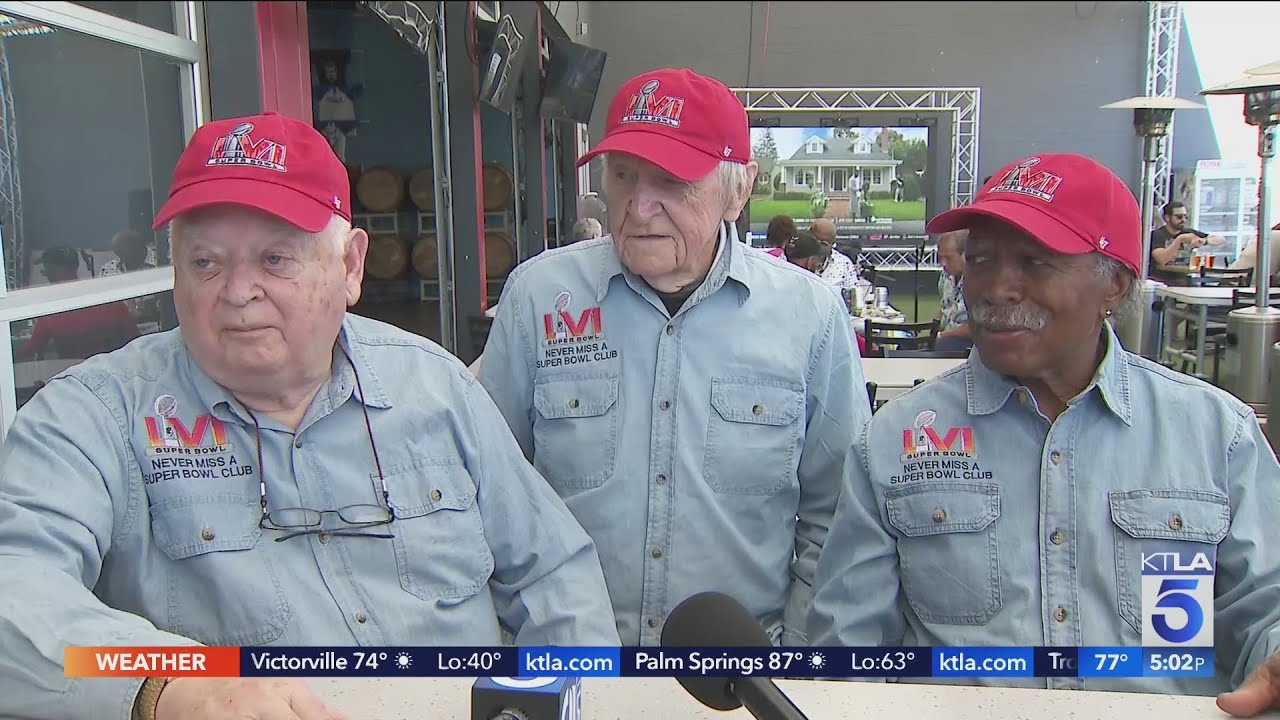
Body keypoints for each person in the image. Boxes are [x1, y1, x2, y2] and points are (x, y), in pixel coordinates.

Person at [0, 112, 620, 720]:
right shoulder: (93, 418)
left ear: (350, 266)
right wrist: (164, 687)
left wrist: (569, 699)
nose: (239, 291)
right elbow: (15, 596)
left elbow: (552, 574)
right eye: (206, 263)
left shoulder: (436, 388)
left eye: (275, 260)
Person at [809, 152, 1280, 712]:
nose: (995, 289)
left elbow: (1266, 607)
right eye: (980, 260)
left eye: (1035, 261)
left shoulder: (1217, 437)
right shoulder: (893, 442)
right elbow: (848, 650)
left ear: (1116, 286)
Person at [478, 68, 869, 646]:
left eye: (671, 181)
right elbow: (489, 493)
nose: (638, 207)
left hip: (737, 677)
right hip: (570, 667)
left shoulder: (807, 315)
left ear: (737, 191)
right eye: (623, 176)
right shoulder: (538, 299)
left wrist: (792, 652)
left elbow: (836, 514)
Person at [15, 247, 141, 362]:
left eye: (46, 271)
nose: (46, 274)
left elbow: (30, 351)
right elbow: (135, 340)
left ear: (55, 271)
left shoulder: (51, 311)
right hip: (115, 372)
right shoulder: (108, 298)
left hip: (75, 379)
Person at [1150, 200, 1226, 285]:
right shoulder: (1158, 234)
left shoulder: (1188, 232)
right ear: (1167, 218)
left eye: (1186, 216)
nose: (1183, 220)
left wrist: (1204, 241)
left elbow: (1221, 239)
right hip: (1162, 280)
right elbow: (1161, 260)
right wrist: (1179, 240)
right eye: (1179, 217)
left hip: (1184, 278)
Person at [933, 229, 972, 351]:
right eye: (941, 257)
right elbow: (944, 308)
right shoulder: (945, 277)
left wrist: (942, 335)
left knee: (943, 345)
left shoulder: (978, 282)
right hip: (944, 339)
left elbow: (978, 328)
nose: (943, 263)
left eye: (948, 258)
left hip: (965, 345)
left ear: (965, 255)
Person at [809, 217, 860, 295]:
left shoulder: (844, 263)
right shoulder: (796, 259)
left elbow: (854, 295)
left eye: (824, 243)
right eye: (814, 240)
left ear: (833, 243)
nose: (818, 245)